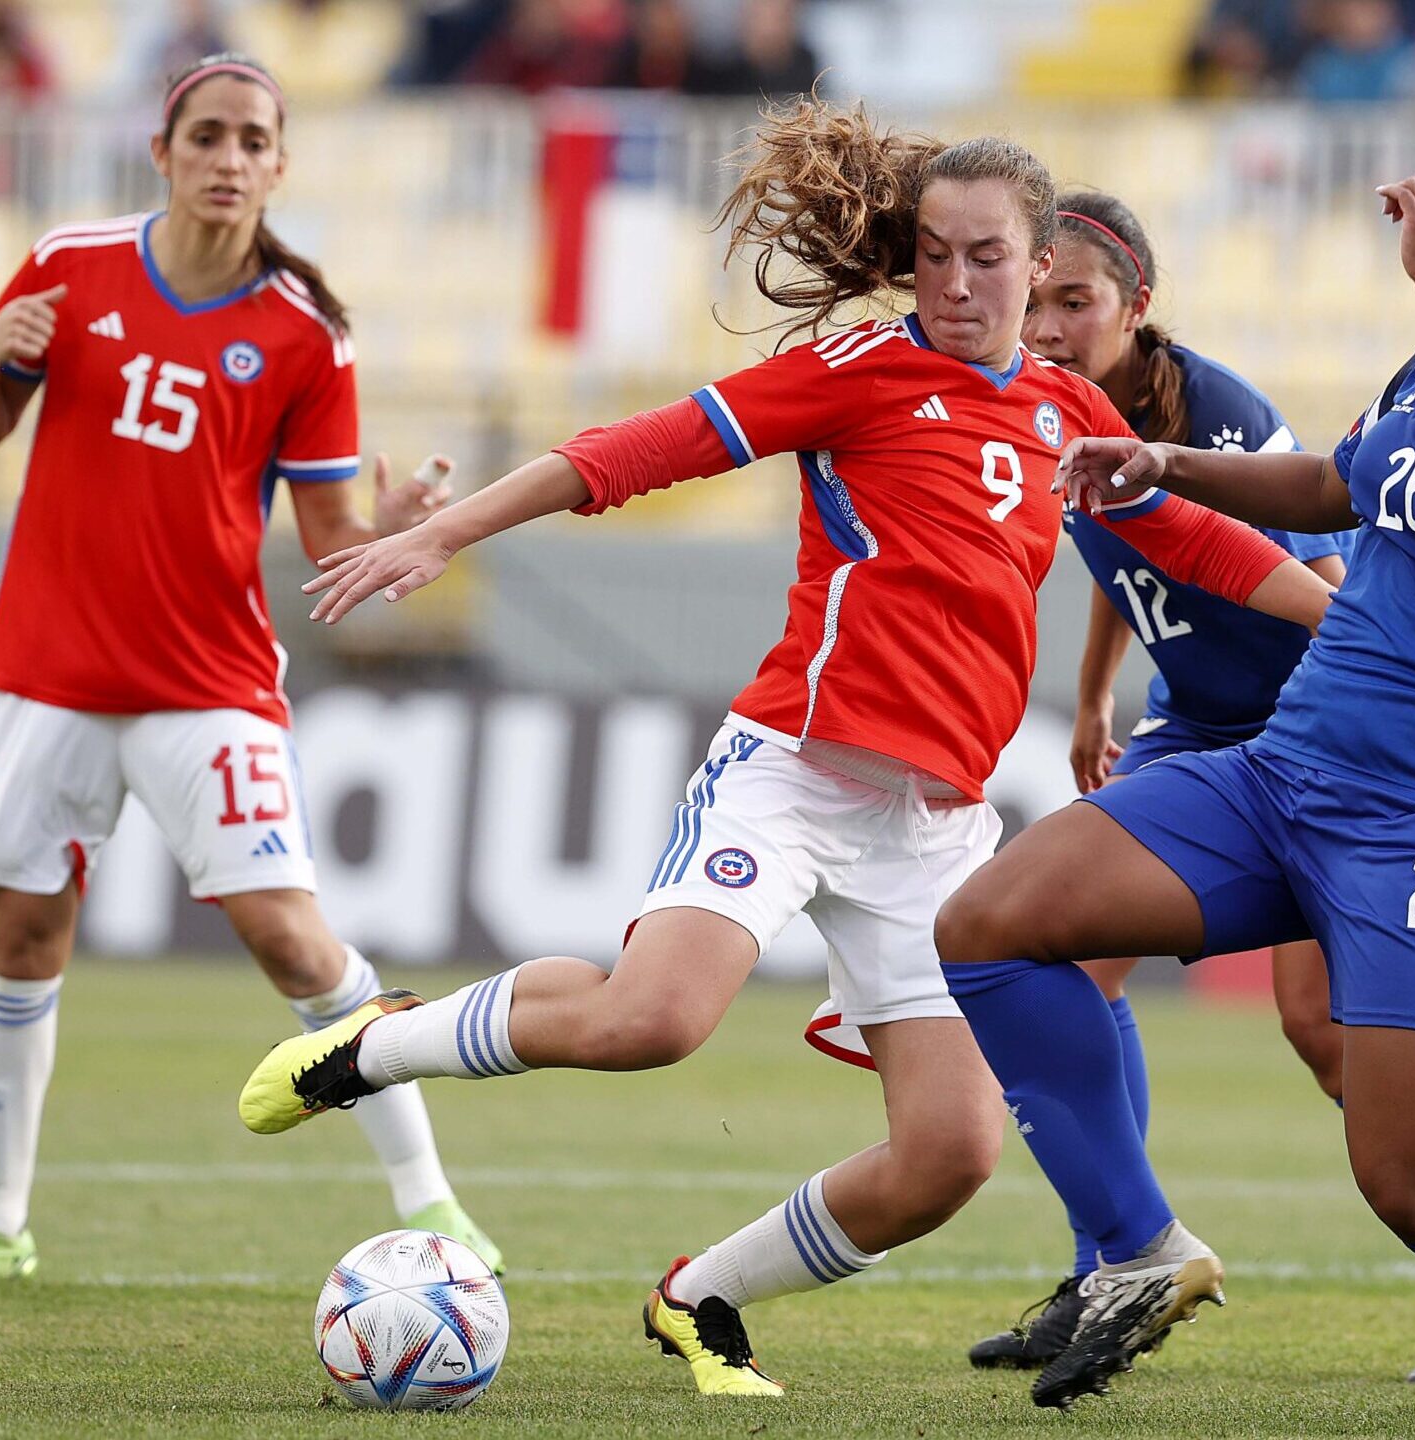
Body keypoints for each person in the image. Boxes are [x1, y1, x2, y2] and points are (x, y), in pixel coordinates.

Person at [232, 98, 1335, 1398]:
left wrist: (1382, 638)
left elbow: (1208, 548)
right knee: (652, 1020)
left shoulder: (1063, 424)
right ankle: (378, 1046)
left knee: (948, 1158)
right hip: (795, 772)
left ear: (1039, 266)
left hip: (932, 831)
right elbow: (633, 452)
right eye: (936, 252)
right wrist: (442, 535)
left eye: (990, 256)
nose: (962, 281)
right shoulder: (860, 374)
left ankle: (698, 1302)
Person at [934, 103, 1415, 1432]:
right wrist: (1163, 465)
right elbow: (1337, 485)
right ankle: (1133, 1253)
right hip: (1284, 775)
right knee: (992, 924)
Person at [0, 52, 500, 1287]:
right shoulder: (70, 267)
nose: (229, 160)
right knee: (23, 937)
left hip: (204, 685)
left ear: (279, 167)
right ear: (164, 154)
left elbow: (332, 544)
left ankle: (432, 1204)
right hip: (50, 672)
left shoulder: (303, 334)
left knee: (294, 944)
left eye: (253, 142)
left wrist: (388, 523)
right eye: (208, 137)